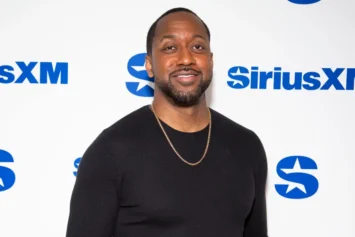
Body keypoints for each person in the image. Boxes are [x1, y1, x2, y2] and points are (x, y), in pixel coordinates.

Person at [66, 7, 268, 237]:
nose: (186, 58)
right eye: (170, 48)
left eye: (198, 47)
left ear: (210, 61)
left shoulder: (246, 146)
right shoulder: (111, 151)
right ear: (149, 65)